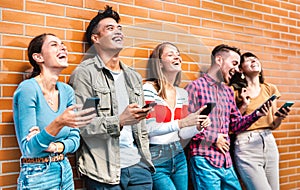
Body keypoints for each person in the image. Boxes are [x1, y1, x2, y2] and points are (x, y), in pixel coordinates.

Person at [69, 6, 155, 189]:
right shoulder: (85, 74)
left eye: (119, 29)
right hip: (104, 172)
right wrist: (120, 120)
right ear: (96, 38)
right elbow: (83, 126)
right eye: (110, 28)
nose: (118, 32)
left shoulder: (134, 76)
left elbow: (141, 127)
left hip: (139, 167)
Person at [13, 33, 96, 190]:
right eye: (54, 45)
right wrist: (59, 122)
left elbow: (74, 139)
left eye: (62, 44)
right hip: (37, 175)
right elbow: (30, 149)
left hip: (64, 170)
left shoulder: (67, 91)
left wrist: (54, 147)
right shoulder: (28, 89)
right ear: (38, 57)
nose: (63, 47)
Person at [184, 44, 272, 190]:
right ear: (219, 60)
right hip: (203, 159)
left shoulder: (228, 92)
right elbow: (186, 125)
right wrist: (214, 137)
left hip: (225, 160)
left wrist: (257, 114)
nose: (237, 69)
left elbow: (235, 125)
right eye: (234, 63)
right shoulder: (194, 87)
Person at [143, 42, 211, 190]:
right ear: (159, 64)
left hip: (178, 154)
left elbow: (183, 132)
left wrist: (197, 126)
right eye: (170, 54)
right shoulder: (148, 89)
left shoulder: (182, 93)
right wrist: (182, 123)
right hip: (156, 155)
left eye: (178, 55)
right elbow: (148, 128)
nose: (177, 57)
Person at [231, 52, 290, 190]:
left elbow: (273, 124)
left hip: (269, 141)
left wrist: (280, 116)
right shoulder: (234, 91)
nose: (253, 61)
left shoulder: (270, 88)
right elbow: (230, 124)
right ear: (240, 69)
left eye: (255, 59)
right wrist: (244, 105)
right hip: (246, 144)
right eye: (248, 60)